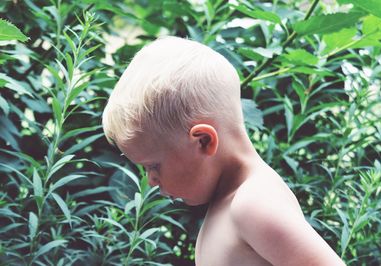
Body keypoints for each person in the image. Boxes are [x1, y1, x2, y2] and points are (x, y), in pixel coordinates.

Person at [102, 36, 346, 266]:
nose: (152, 181)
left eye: (153, 166)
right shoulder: (231, 201)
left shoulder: (253, 204)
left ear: (204, 141)